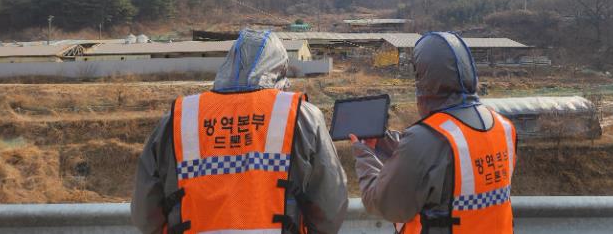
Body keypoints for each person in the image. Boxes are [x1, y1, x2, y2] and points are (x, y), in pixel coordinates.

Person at [131, 29, 348, 234]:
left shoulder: (180, 117)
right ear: (280, 69)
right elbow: (330, 207)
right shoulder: (301, 115)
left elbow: (145, 214)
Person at [350, 32, 517, 233]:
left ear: (423, 78)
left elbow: (385, 205)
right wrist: (388, 142)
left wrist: (364, 154)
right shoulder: (504, 127)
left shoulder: (426, 138)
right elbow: (449, 164)